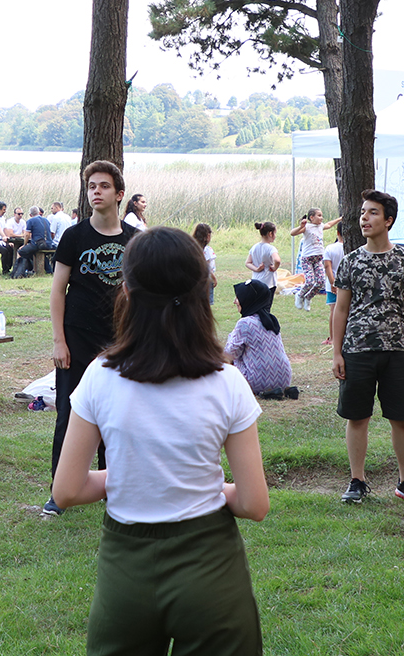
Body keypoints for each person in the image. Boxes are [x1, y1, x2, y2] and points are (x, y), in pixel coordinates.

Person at [52, 227, 269, 656]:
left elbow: (67, 489)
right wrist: (209, 486)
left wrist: (135, 472)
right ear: (201, 291)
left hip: (126, 572)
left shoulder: (100, 375)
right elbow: (253, 503)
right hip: (212, 573)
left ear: (126, 292)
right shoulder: (227, 381)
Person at [43, 160, 139, 517]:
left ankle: (114, 487)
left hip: (120, 341)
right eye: (91, 187)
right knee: (69, 414)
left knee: (118, 416)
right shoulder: (74, 236)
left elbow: (142, 295)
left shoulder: (134, 240)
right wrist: (58, 341)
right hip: (77, 339)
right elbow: (57, 291)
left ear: (119, 194)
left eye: (103, 186)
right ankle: (60, 491)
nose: (95, 192)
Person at [330, 190, 404, 507]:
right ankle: (357, 481)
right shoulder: (350, 261)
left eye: (373, 213)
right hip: (357, 350)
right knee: (357, 417)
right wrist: (336, 352)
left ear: (388, 220)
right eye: (362, 212)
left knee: (401, 418)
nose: (364, 218)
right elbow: (340, 309)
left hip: (398, 349)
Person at [226, 280, 294, 397]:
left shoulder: (245, 323)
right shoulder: (271, 320)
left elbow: (230, 354)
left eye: (238, 297)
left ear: (247, 299)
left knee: (229, 360)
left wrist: (231, 336)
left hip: (256, 382)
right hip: (284, 379)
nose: (234, 302)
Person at [290, 207, 343, 311]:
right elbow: (292, 233)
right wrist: (301, 226)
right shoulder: (307, 227)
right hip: (307, 259)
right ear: (311, 217)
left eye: (322, 215)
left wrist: (340, 219)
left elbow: (329, 224)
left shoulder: (320, 226)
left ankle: (308, 297)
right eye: (319, 215)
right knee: (309, 281)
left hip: (318, 259)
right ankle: (300, 295)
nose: (321, 218)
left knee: (320, 282)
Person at [245, 222, 281, 309]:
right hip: (268, 282)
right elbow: (277, 260)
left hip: (256, 281)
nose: (275, 235)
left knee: (257, 306)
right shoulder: (271, 248)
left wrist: (257, 269)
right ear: (270, 233)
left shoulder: (254, 247)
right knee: (266, 307)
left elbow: (247, 263)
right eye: (275, 233)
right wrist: (274, 267)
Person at [13, 206, 55, 278]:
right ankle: (47, 270)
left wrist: (24, 244)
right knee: (35, 252)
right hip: (49, 244)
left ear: (30, 215)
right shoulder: (46, 220)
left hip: (38, 244)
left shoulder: (30, 221)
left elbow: (27, 235)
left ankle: (18, 272)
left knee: (21, 251)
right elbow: (51, 233)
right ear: (39, 212)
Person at [194, 223, 218, 305]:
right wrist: (214, 278)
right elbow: (206, 267)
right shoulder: (207, 250)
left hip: (196, 279)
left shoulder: (193, 248)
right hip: (206, 279)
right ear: (207, 236)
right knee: (206, 303)